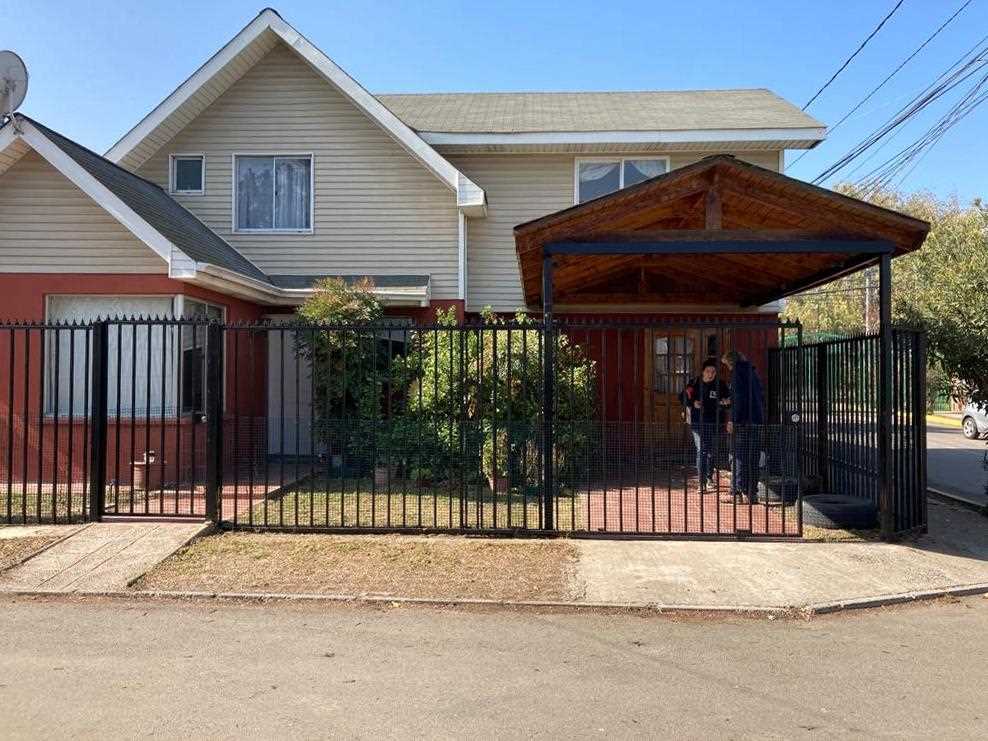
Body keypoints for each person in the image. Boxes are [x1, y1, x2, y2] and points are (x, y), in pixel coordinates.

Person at [721, 350, 764, 503]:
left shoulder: (737, 373)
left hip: (743, 421)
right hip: (756, 419)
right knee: (753, 456)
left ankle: (737, 492)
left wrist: (733, 419)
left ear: (730, 362)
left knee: (737, 456)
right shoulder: (753, 372)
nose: (728, 368)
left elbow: (739, 398)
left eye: (727, 365)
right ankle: (752, 493)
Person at [681, 358, 730, 490]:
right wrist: (693, 403)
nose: (710, 374)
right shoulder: (694, 383)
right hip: (698, 422)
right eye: (708, 371)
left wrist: (725, 402)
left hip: (715, 422)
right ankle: (701, 482)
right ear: (703, 372)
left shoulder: (721, 385)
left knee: (711, 451)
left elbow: (729, 400)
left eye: (713, 372)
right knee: (701, 449)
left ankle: (709, 477)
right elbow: (683, 397)